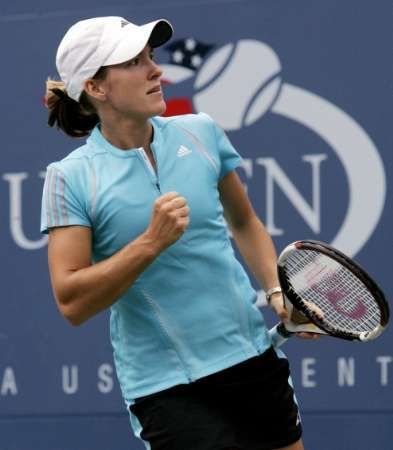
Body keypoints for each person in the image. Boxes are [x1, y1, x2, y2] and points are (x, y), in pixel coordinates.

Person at [42, 15, 315, 450]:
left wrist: (275, 291)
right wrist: (150, 243)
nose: (156, 71)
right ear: (95, 87)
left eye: (150, 57)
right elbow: (71, 301)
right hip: (168, 388)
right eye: (133, 62)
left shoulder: (201, 131)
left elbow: (244, 221)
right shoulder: (69, 178)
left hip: (252, 359)